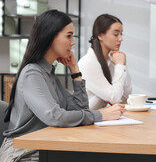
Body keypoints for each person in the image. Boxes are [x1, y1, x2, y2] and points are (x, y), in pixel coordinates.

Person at [0, 10, 126, 162]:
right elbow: (55, 116)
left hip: (44, 146)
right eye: (69, 36)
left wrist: (75, 71)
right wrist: (100, 115)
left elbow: (80, 109)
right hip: (22, 153)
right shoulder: (32, 73)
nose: (73, 42)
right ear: (51, 36)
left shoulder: (48, 72)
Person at [78, 14, 132, 110]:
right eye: (116, 34)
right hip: (88, 121)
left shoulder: (111, 61)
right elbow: (114, 98)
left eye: (121, 34)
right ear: (100, 36)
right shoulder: (87, 63)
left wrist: (123, 65)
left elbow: (127, 95)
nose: (121, 39)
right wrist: (120, 66)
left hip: (103, 118)